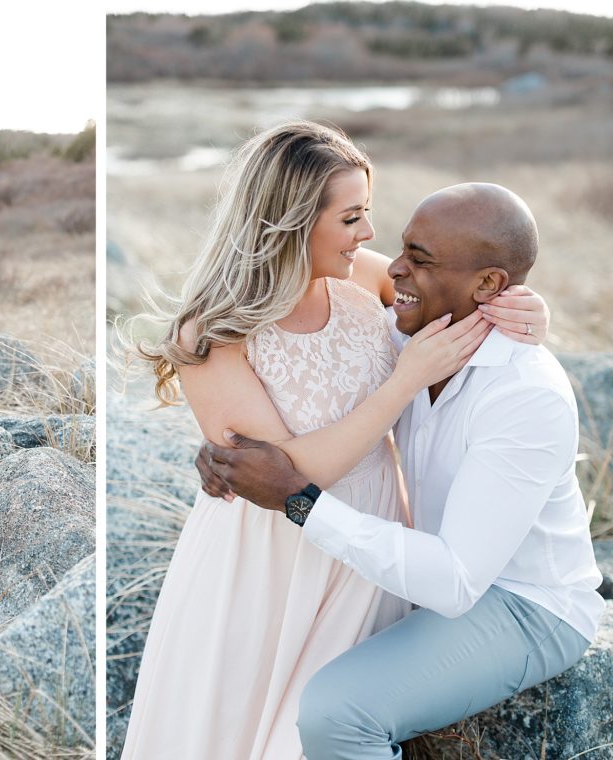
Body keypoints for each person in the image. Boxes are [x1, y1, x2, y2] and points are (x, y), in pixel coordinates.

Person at [119, 122, 549, 759]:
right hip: (268, 561)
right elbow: (284, 476)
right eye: (351, 218)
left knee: (319, 729)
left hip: (367, 551)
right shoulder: (209, 333)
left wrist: (525, 310)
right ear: (290, 221)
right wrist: (402, 383)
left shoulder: (363, 278)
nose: (369, 235)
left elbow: (459, 295)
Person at [198, 183, 604, 759]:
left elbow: (456, 582)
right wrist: (225, 440)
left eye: (420, 259)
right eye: (403, 248)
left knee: (336, 713)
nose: (393, 268)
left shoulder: (524, 395)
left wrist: (299, 500)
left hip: (524, 603)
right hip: (424, 567)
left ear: (487, 284)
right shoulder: (409, 340)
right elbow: (318, 386)